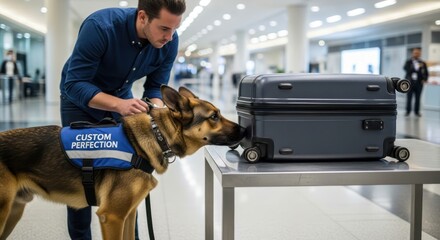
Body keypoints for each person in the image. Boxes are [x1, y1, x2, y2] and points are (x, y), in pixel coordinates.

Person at [59, 0, 186, 239]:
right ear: (142, 17)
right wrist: (119, 105)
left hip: (122, 100)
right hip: (80, 102)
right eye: (164, 29)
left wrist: (154, 109)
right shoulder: (100, 27)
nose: (170, 37)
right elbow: (74, 84)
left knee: (130, 175)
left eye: (174, 29)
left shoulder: (169, 41)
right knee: (80, 175)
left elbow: (155, 88)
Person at [404, 47, 429, 117]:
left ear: (420, 54)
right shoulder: (408, 62)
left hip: (419, 83)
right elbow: (405, 69)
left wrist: (425, 79)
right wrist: (413, 67)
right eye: (415, 53)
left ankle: (417, 112)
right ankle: (408, 111)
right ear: (412, 54)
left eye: (418, 53)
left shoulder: (423, 63)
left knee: (418, 98)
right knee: (409, 97)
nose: (416, 54)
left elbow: (426, 72)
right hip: (410, 82)